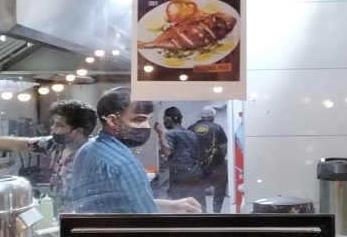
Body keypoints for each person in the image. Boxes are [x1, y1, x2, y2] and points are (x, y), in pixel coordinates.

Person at [70, 86, 203, 214]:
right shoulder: (124, 163)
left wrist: (171, 206)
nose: (146, 126)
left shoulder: (88, 149)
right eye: (139, 120)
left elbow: (114, 203)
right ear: (113, 121)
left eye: (148, 120)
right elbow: (144, 220)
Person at [0, 99, 98, 209]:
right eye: (53, 123)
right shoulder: (54, 145)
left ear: (78, 131)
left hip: (83, 218)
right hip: (60, 215)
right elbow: (17, 144)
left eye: (59, 125)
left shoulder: (94, 155)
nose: (52, 128)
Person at [155, 107, 207, 210]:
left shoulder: (170, 134)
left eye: (164, 119)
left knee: (181, 207)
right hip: (196, 174)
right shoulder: (192, 134)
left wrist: (160, 133)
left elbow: (168, 152)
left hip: (180, 176)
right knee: (197, 205)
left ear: (168, 119)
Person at [189, 107, 229, 213]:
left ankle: (202, 210)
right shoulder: (218, 128)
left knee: (198, 188)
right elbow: (224, 146)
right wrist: (220, 158)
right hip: (216, 164)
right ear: (213, 116)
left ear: (201, 117)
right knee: (220, 187)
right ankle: (217, 210)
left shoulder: (191, 128)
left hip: (197, 165)